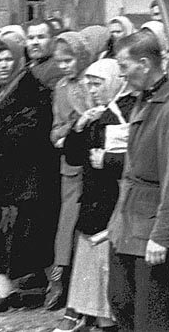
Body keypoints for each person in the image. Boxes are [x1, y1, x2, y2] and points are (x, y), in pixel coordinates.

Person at [108, 30, 169, 332]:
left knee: (153, 318)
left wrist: (161, 234)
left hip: (152, 229)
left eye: (124, 66)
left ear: (144, 64)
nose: (121, 75)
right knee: (122, 302)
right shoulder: (144, 100)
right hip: (128, 224)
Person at [0, 37, 59, 314]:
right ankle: (13, 290)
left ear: (19, 58)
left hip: (27, 176)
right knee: (5, 235)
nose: (3, 65)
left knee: (23, 234)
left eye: (8, 59)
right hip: (3, 175)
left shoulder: (32, 88)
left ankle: (26, 290)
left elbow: (29, 130)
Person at [52, 58, 134, 332]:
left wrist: (108, 160)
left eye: (97, 84)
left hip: (115, 199)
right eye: (89, 85)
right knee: (92, 265)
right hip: (93, 199)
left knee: (107, 266)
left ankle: (108, 320)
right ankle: (97, 317)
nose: (93, 91)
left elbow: (134, 156)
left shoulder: (126, 111)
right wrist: (78, 127)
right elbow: (74, 157)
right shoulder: (92, 114)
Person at [47, 31, 95, 311]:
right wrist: (68, 129)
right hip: (72, 162)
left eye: (70, 60)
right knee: (67, 221)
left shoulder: (95, 80)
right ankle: (59, 276)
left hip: (97, 160)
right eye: (60, 61)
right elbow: (54, 131)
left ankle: (85, 287)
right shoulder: (61, 88)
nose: (64, 66)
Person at [27, 19, 65, 90]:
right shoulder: (28, 66)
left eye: (41, 37)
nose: (35, 42)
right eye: (31, 38)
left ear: (53, 40)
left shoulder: (57, 69)